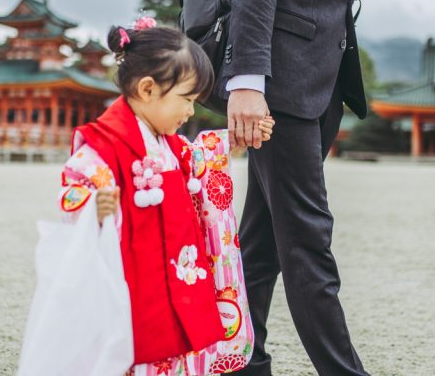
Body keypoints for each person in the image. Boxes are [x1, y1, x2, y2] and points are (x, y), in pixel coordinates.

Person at [59, 21, 274, 375]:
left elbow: (198, 162)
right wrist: (91, 209)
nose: (190, 111)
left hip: (177, 277)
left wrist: (231, 142)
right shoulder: (102, 145)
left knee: (178, 349)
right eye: (187, 99)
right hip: (137, 283)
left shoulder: (170, 145)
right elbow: (75, 189)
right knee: (136, 351)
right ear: (147, 89)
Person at [217, 0, 372, 375]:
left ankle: (243, 363)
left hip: (320, 88)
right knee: (308, 239)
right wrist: (246, 81)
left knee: (262, 242)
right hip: (277, 87)